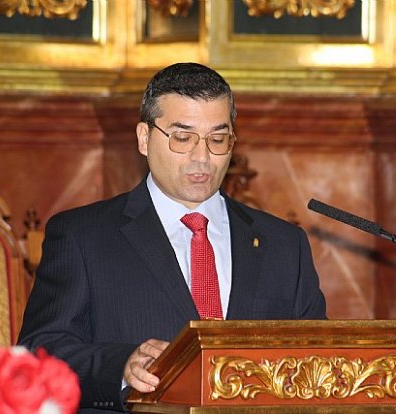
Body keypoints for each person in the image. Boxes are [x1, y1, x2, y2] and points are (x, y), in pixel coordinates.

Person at [18, 62, 326, 413]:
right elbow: (40, 352)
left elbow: (316, 358)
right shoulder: (83, 237)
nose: (202, 157)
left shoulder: (284, 245)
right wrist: (120, 368)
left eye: (218, 139)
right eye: (182, 138)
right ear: (144, 139)